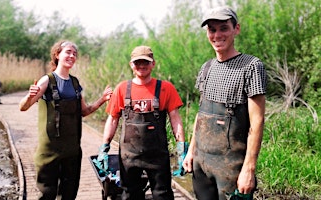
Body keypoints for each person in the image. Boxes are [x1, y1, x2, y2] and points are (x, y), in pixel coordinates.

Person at [182, 6, 267, 200]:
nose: (217, 35)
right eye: (212, 29)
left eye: (223, 28)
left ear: (236, 29)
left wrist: (249, 169)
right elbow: (201, 114)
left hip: (231, 168)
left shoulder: (251, 66)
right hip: (201, 165)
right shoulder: (207, 67)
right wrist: (191, 152)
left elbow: (257, 122)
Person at [19, 40, 112, 200]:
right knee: (47, 193)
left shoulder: (75, 84)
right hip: (49, 150)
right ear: (57, 55)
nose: (72, 56)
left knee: (69, 193)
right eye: (68, 52)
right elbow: (23, 107)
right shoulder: (47, 80)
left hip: (72, 150)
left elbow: (84, 111)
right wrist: (30, 96)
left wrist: (102, 100)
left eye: (74, 54)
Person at [94, 45, 186, 200]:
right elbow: (113, 119)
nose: (141, 66)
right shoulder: (122, 89)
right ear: (131, 65)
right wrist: (104, 146)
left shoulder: (165, 88)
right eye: (137, 63)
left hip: (158, 157)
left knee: (162, 195)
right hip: (129, 157)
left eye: (145, 62)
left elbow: (175, 119)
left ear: (153, 64)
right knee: (130, 195)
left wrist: (181, 146)